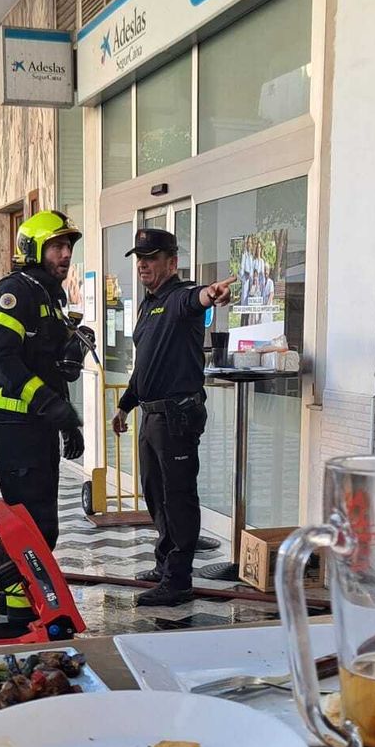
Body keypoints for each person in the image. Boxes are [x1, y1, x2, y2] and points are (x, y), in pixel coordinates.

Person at [111, 229, 233, 606]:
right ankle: (165, 565)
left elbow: (197, 300)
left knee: (178, 497)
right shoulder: (148, 305)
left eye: (152, 257)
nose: (144, 264)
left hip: (177, 416)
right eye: (140, 258)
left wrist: (210, 294)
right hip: (151, 416)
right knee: (155, 494)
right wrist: (125, 405)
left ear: (172, 262)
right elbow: (145, 365)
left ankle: (178, 581)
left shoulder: (180, 297)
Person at [0, 210, 88, 619]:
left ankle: (20, 591)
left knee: (39, 516)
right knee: (27, 516)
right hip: (15, 423)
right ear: (33, 250)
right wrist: (50, 406)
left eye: (68, 248)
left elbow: (46, 363)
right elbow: (4, 360)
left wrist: (64, 419)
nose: (65, 255)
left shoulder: (48, 294)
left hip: (37, 423)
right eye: (57, 247)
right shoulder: (15, 293)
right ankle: (14, 599)